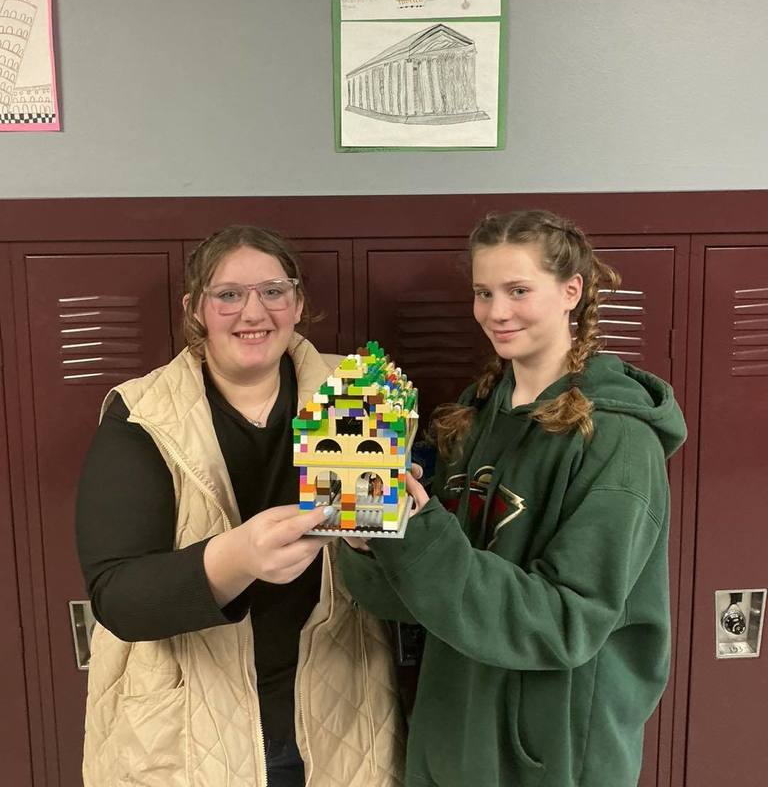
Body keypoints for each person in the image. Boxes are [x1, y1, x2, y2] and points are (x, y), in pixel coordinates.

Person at [339, 210, 687, 787]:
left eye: (518, 290)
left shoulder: (619, 440)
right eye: (483, 292)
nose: (496, 312)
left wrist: (422, 534)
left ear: (571, 290)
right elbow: (421, 598)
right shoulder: (472, 418)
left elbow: (566, 624)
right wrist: (371, 538)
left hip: (549, 751)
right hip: (452, 730)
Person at [76, 225, 405, 787]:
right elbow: (120, 600)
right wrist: (237, 558)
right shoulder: (141, 415)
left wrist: (389, 529)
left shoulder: (356, 392)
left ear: (298, 303)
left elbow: (393, 581)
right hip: (189, 735)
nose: (253, 311)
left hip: (337, 720)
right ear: (196, 309)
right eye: (228, 294)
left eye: (273, 291)